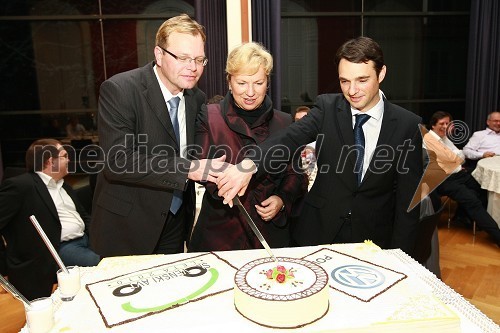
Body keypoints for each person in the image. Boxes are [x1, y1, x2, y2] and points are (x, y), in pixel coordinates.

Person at [216, 36, 423, 256]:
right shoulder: (327, 108)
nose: (352, 90)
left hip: (373, 239)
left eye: (362, 80)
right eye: (344, 81)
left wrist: (401, 257)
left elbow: (407, 204)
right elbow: (289, 138)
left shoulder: (407, 125)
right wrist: (249, 165)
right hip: (318, 233)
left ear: (381, 74)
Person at [90, 14, 226, 257]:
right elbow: (118, 161)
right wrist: (188, 168)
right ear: (159, 55)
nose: (193, 67)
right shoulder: (120, 90)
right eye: (183, 58)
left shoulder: (196, 98)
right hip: (128, 225)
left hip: (175, 221)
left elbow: (197, 151)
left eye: (199, 59)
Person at [188, 42, 307, 252]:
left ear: (267, 82)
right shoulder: (209, 116)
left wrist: (281, 199)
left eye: (258, 82)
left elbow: (296, 173)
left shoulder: (284, 121)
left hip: (271, 235)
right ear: (229, 82)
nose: (250, 92)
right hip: (221, 235)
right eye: (242, 83)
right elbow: (205, 170)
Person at [0, 138, 100, 300]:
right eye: (64, 156)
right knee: (102, 264)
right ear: (50, 161)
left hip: (86, 240)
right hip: (60, 248)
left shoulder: (64, 186)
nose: (69, 160)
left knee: (116, 255)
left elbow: (84, 217)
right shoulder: (22, 186)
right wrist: (4, 264)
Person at [423, 111, 500, 247]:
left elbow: (461, 154)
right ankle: (497, 236)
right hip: (444, 180)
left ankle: (463, 217)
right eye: (442, 124)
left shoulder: (445, 138)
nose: (445, 127)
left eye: (447, 123)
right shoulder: (428, 140)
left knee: (482, 190)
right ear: (433, 125)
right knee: (472, 201)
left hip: (459, 174)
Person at [293, 106, 317, 183]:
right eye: (297, 120)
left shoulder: (320, 142)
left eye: (304, 119)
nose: (300, 123)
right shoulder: (291, 144)